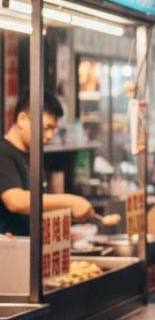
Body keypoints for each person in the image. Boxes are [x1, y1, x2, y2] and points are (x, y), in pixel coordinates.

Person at [0, 94, 94, 235]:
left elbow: (39, 206)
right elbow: (15, 200)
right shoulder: (4, 153)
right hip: (9, 252)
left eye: (54, 129)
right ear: (22, 119)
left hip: (30, 250)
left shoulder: (34, 156)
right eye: (46, 127)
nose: (50, 135)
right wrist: (70, 201)